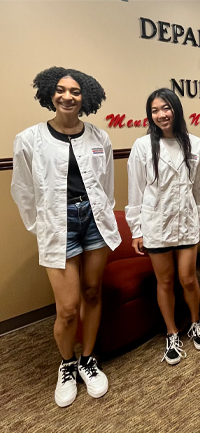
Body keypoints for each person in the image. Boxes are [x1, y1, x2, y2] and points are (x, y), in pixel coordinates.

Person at [11, 67, 121, 408]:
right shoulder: (29, 139)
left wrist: (101, 213)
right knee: (68, 307)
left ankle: (88, 359)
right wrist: (42, 227)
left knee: (91, 291)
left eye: (74, 91)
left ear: (84, 97)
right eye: (60, 90)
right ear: (50, 94)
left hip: (94, 221)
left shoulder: (99, 137)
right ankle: (67, 363)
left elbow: (106, 185)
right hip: (58, 224)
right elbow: (23, 191)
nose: (67, 96)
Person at [126, 88, 200, 366]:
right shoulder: (142, 146)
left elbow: (199, 189)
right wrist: (136, 229)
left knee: (187, 278)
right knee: (165, 281)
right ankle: (172, 333)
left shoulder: (195, 145)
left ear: (176, 109)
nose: (161, 115)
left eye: (166, 108)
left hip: (186, 221)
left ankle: (195, 322)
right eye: (155, 110)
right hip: (156, 223)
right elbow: (135, 190)